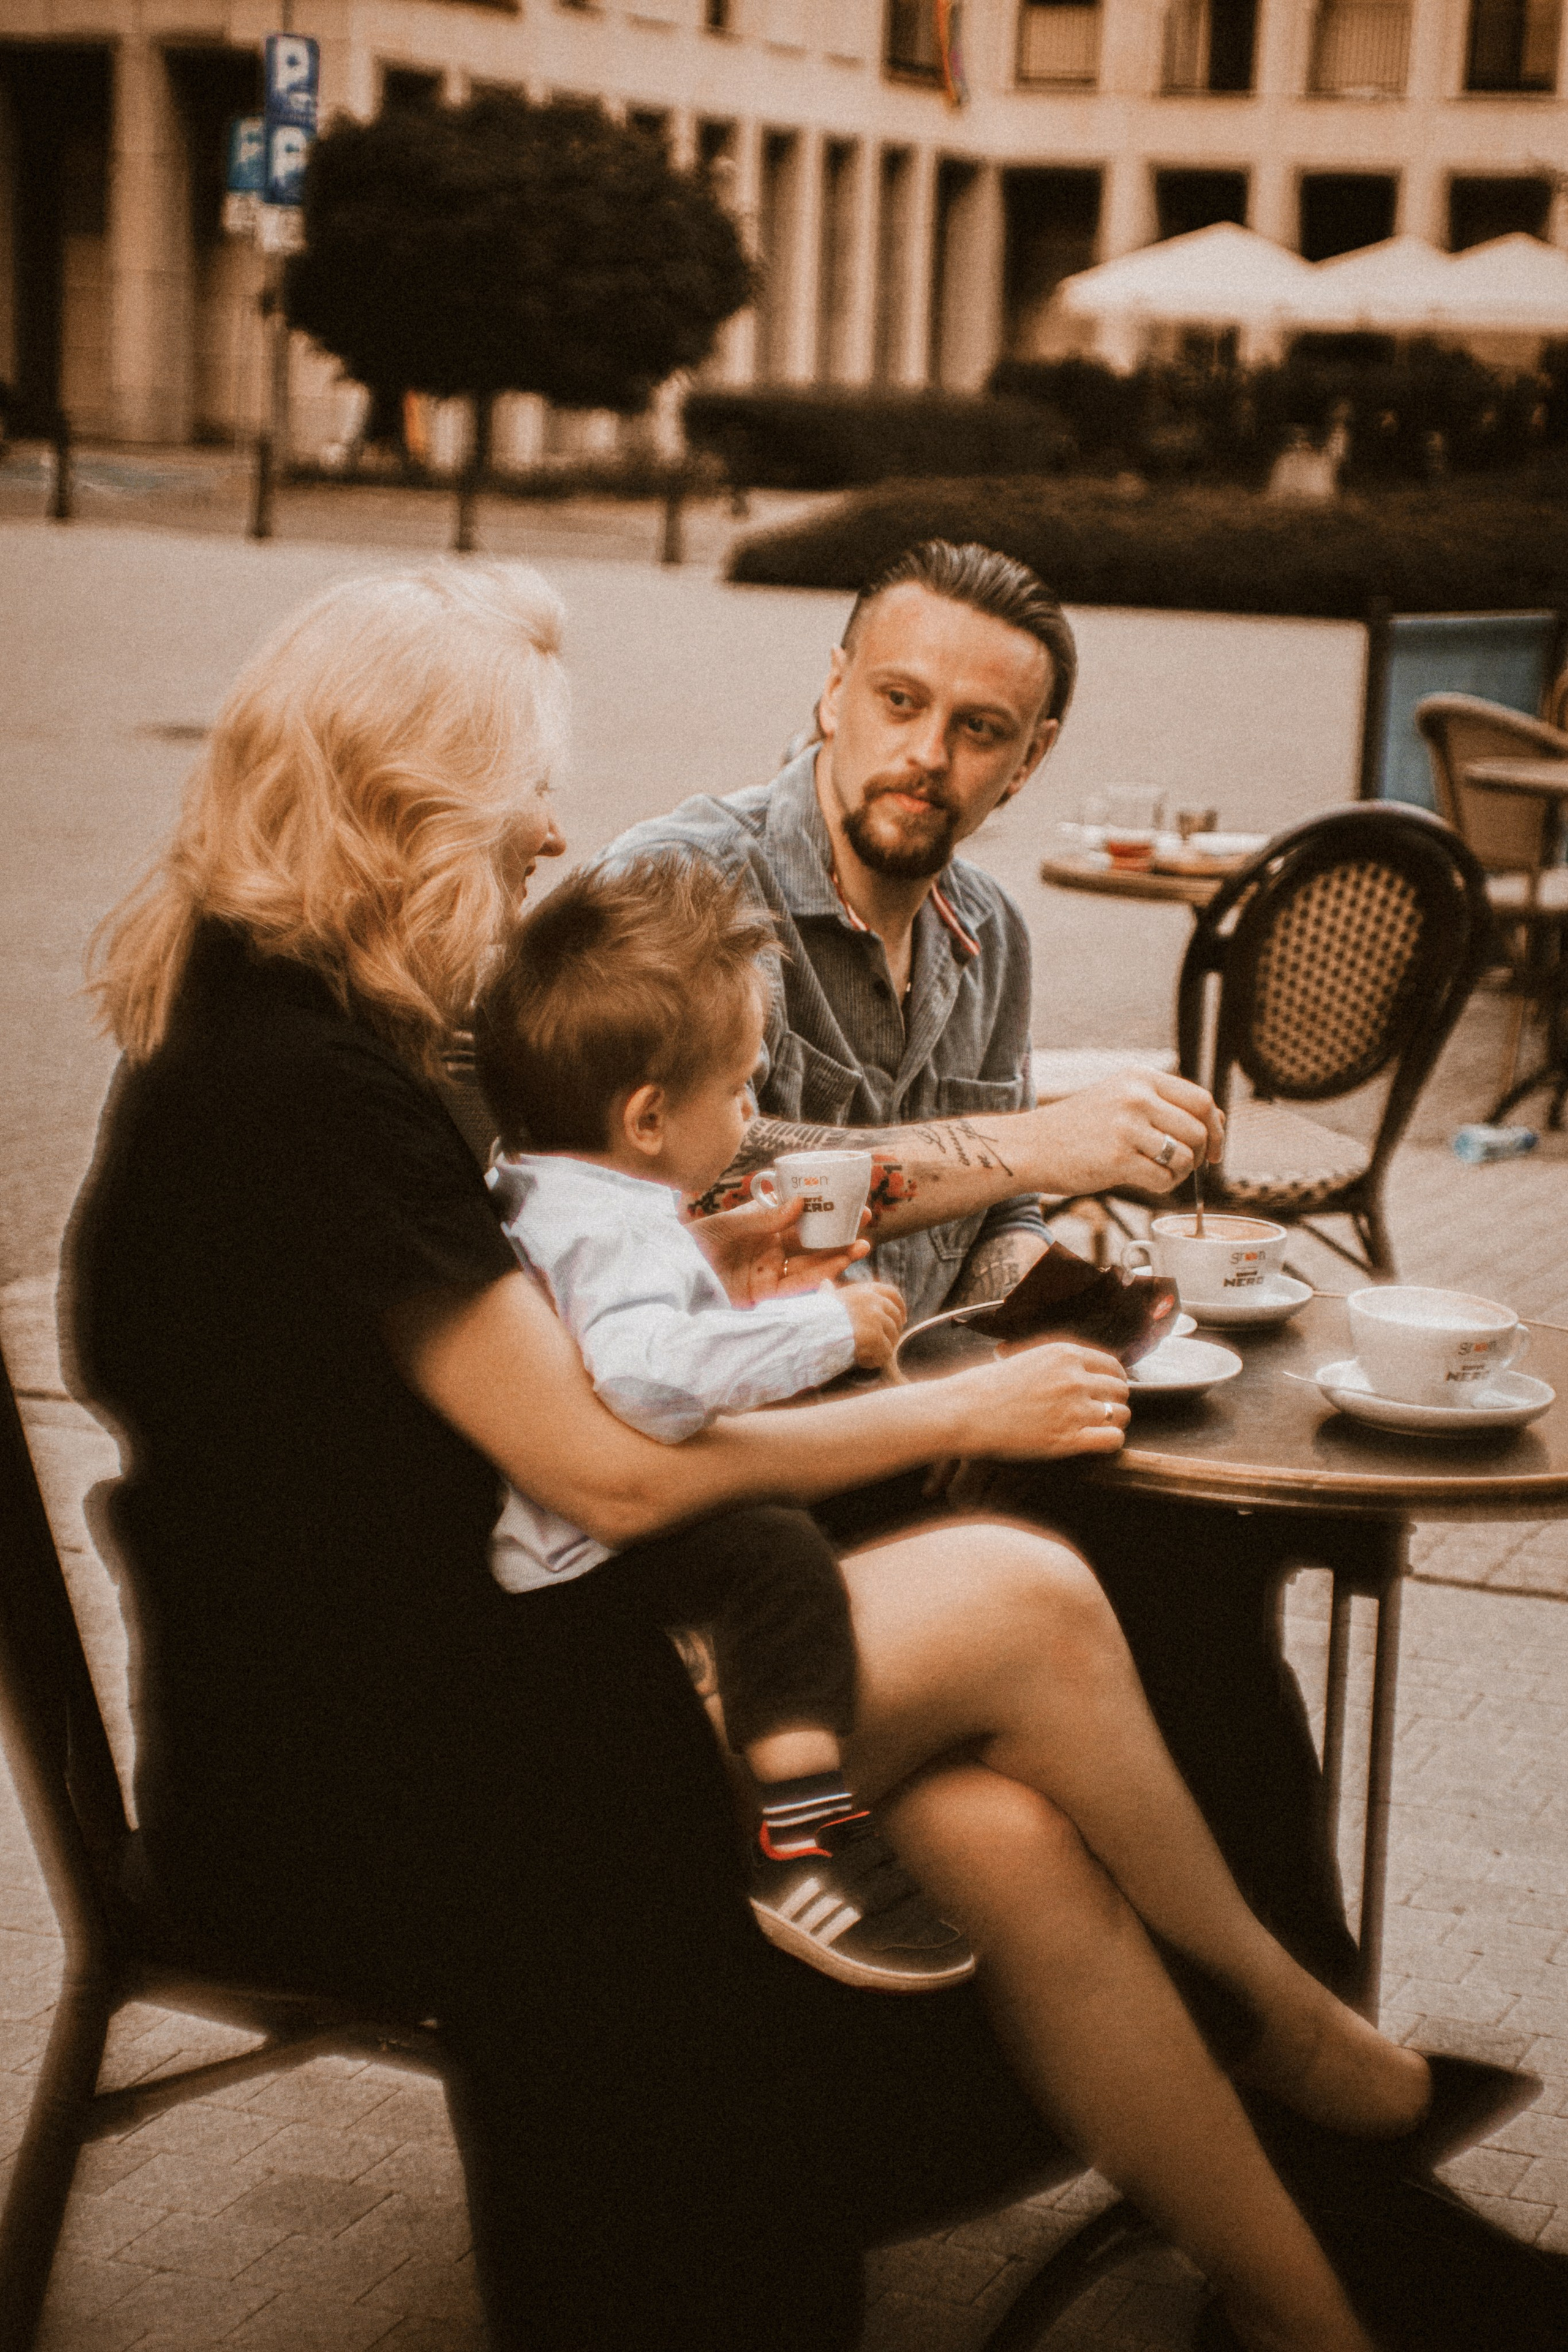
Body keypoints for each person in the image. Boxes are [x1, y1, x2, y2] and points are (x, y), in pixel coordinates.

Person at [66, 559, 1539, 2352]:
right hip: (375, 1775)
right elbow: (600, 1474)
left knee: (1003, 1816)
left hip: (426, 1684)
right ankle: (1300, 2034)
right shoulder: (301, 1088)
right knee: (1031, 1591)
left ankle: (1331, 2309)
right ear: (396, 808)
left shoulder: (284, 1037)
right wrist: (961, 1407)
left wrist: (711, 1268)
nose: (547, 824)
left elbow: (515, 1374)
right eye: (517, 788)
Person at [608, 536, 1357, 1990]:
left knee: (1212, 1556)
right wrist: (1030, 1148)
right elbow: (683, 1192)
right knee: (1167, 1591)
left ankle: (1264, 2014)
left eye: (976, 732)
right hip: (734, 1491)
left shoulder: (982, 934)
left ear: (1030, 760)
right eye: (896, 702)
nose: (923, 756)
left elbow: (999, 1220)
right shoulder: (689, 888)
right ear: (830, 691)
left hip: (921, 1440)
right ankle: (1276, 2032)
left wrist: (1038, 1277)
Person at [474, 850, 968, 1991]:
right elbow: (644, 1377)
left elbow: (602, 1323)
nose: (750, 1116)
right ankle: (802, 1830)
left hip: (554, 1527)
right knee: (779, 1558)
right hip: (592, 1551)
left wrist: (714, 1267)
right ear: (649, 1116)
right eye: (741, 1090)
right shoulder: (623, 1230)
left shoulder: (543, 1182)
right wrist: (828, 1331)